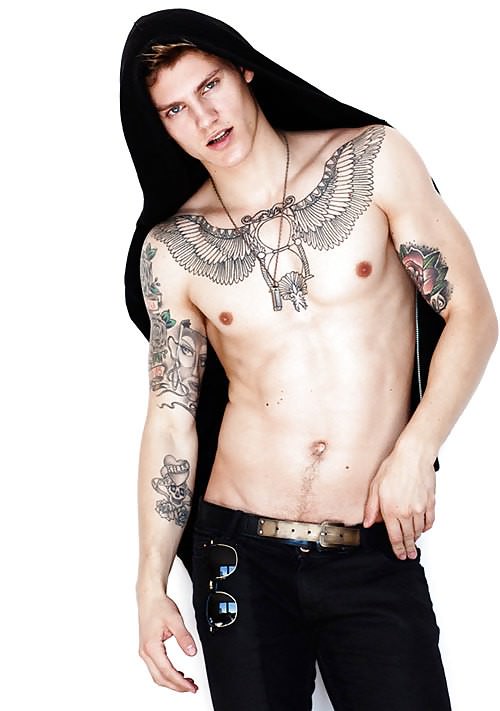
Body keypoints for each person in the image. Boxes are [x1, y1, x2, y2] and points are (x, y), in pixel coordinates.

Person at [119, 8, 498, 711]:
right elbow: (171, 420)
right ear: (161, 127)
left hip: (371, 546)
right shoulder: (172, 250)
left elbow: (472, 314)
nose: (203, 118)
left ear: (245, 70)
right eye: (175, 109)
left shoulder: (372, 160)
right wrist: (149, 584)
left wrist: (417, 450)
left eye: (209, 86)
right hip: (237, 554)